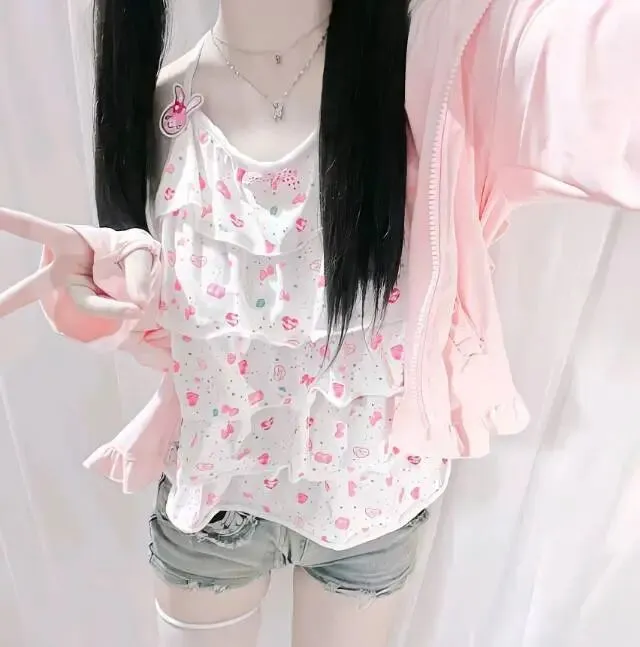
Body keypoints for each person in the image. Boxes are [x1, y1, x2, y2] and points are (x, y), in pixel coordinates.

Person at [0, 0, 638, 645]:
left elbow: (598, 73)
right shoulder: (167, 105)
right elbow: (185, 322)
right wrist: (104, 289)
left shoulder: (440, 74)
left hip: (370, 504)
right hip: (213, 500)